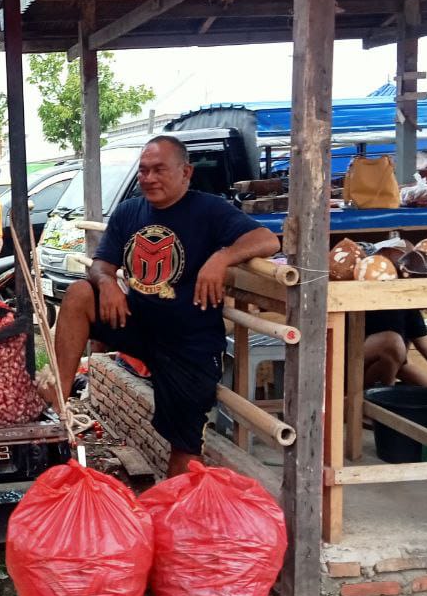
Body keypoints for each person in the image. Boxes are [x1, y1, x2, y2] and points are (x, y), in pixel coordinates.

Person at [53, 136, 280, 477]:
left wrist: (222, 257)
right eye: (143, 171)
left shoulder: (209, 209)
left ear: (186, 172)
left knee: (184, 450)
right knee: (79, 294)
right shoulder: (130, 211)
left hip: (189, 342)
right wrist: (107, 282)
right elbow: (101, 264)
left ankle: (176, 502)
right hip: (138, 323)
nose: (149, 178)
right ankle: (58, 402)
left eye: (159, 170)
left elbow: (267, 239)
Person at [363, 310, 427, 389]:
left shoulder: (406, 307)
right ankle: (384, 392)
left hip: (395, 365)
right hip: (356, 364)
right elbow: (392, 346)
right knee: (392, 341)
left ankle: (384, 391)